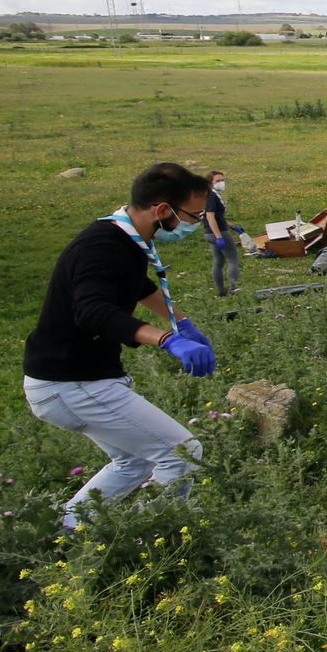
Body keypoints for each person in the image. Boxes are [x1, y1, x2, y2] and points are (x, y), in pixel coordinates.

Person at [22, 162, 218, 531]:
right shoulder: (102, 248)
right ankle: (146, 539)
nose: (194, 223)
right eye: (192, 215)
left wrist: (182, 322)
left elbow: (138, 286)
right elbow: (92, 312)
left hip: (68, 379)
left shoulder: (122, 238)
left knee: (133, 461)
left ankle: (64, 531)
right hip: (72, 383)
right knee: (182, 453)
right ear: (162, 210)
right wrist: (166, 339)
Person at [201, 169, 243, 296]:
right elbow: (210, 217)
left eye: (222, 180)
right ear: (210, 183)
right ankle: (233, 288)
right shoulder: (212, 196)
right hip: (218, 233)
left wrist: (232, 226)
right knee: (233, 260)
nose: (221, 183)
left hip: (209, 233)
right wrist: (219, 236)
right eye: (218, 181)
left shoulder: (211, 195)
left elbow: (219, 216)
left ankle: (221, 291)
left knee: (218, 261)